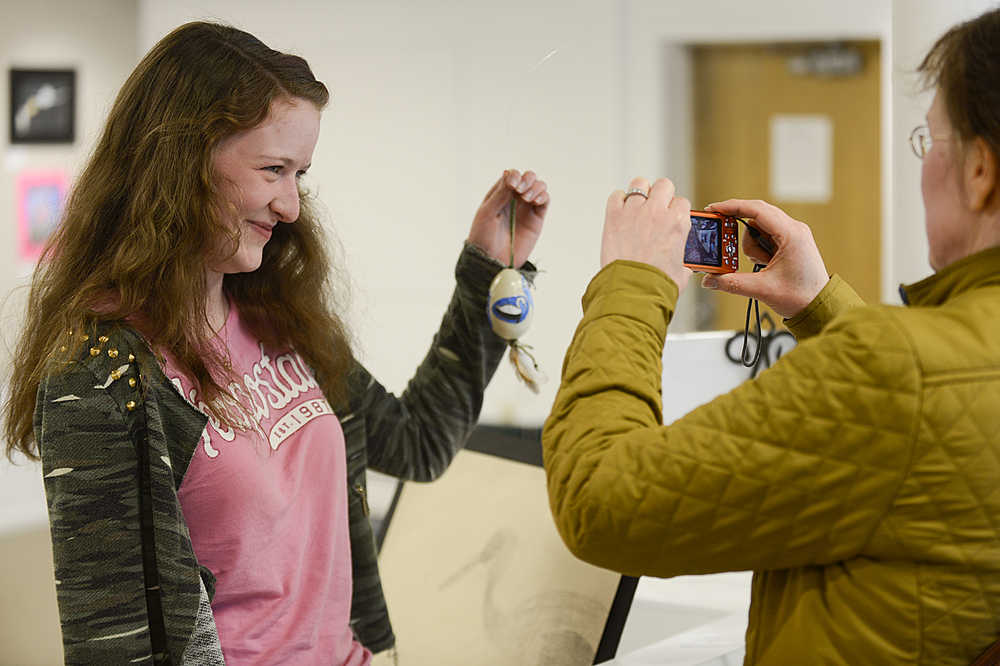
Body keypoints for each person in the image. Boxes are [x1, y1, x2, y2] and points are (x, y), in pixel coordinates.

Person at [4, 22, 549, 665]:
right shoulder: (101, 374)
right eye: (273, 170)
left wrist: (488, 268)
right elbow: (109, 645)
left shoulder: (278, 317)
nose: (291, 204)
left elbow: (418, 441)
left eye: (301, 174)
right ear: (181, 162)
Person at [542, 8, 1000, 665]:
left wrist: (631, 284)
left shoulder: (900, 369)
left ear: (981, 170)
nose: (924, 169)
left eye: (930, 143)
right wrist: (822, 307)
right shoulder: (932, 368)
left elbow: (601, 500)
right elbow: (942, 425)